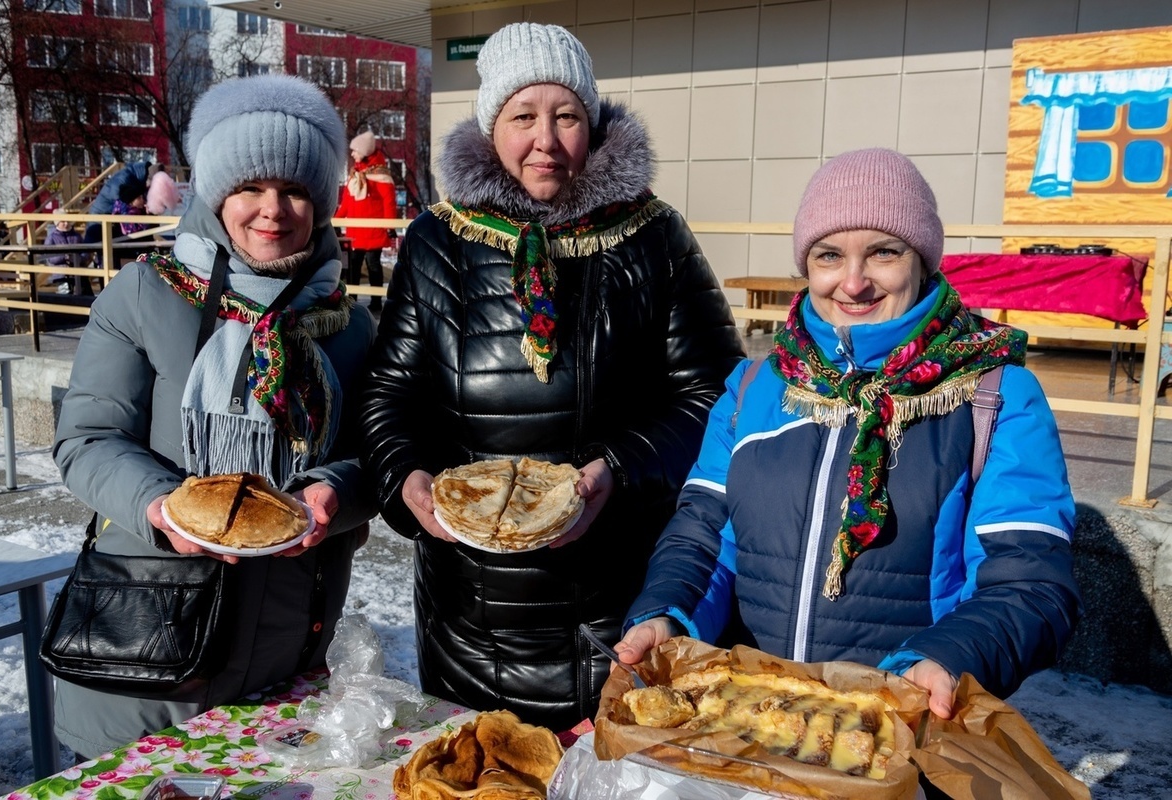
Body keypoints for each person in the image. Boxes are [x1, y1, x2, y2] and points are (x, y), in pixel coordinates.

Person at [357, 22, 745, 732]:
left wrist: (618, 471)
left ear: (592, 124)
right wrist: (401, 475)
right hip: (471, 614)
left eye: (566, 115)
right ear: (490, 126)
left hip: (619, 601)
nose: (546, 139)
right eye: (522, 116)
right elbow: (389, 392)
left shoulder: (653, 235)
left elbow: (716, 396)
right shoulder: (437, 240)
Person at [617, 148, 1081, 720]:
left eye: (884, 251)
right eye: (829, 255)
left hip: (898, 728)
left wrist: (946, 658)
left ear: (922, 261)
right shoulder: (754, 387)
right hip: (748, 721)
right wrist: (666, 614)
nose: (854, 282)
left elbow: (1029, 582)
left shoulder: (995, 394)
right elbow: (704, 537)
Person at [51, 73, 377, 756]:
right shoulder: (144, 294)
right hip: (144, 656)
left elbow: (377, 458)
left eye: (295, 189)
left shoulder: (349, 326)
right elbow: (87, 439)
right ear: (214, 190)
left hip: (287, 652)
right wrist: (163, 505)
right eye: (249, 186)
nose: (272, 209)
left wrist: (336, 493)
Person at [334, 131, 397, 310]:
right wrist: (335, 222)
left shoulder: (381, 175)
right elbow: (346, 204)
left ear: (365, 151)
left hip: (374, 230)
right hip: (355, 231)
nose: (352, 154)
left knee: (373, 266)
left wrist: (390, 225)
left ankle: (376, 302)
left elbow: (389, 202)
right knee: (353, 266)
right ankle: (351, 300)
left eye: (355, 150)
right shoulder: (355, 175)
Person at [84, 159, 150, 243]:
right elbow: (123, 201)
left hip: (105, 216)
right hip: (99, 217)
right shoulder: (124, 180)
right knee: (96, 243)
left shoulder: (131, 178)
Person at [43, 210, 92, 294]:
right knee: (66, 297)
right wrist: (65, 256)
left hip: (78, 272)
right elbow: (49, 258)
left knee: (86, 294)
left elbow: (85, 253)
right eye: (63, 221)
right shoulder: (51, 238)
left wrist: (78, 259)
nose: (66, 223)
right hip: (61, 275)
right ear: (57, 223)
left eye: (67, 221)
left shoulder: (77, 236)